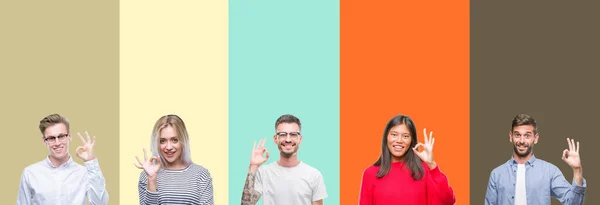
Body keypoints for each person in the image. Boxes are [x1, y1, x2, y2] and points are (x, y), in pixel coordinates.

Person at [485, 114, 586, 205]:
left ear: (535, 138)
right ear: (511, 137)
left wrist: (577, 170)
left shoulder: (550, 171)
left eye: (527, 135)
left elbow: (573, 203)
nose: (521, 141)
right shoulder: (496, 174)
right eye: (517, 135)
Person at [359, 114, 455, 205]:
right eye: (394, 134)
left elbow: (448, 201)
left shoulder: (424, 171)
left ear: (411, 141)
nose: (399, 140)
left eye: (405, 136)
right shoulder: (370, 173)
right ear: (386, 137)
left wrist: (432, 164)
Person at [17, 114, 109, 205]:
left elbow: (100, 203)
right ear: (45, 141)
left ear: (69, 136)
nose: (57, 143)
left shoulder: (84, 173)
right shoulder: (30, 173)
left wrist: (91, 161)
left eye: (61, 136)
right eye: (51, 138)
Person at [241, 114, 328, 205]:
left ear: (300, 139)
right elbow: (246, 204)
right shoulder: (264, 172)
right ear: (275, 139)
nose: (288, 139)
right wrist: (253, 166)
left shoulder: (314, 175)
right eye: (283, 134)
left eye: (293, 134)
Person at [135, 114, 214, 205]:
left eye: (174, 140)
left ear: (183, 141)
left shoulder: (201, 174)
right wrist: (152, 179)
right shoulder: (147, 175)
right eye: (162, 141)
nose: (168, 147)